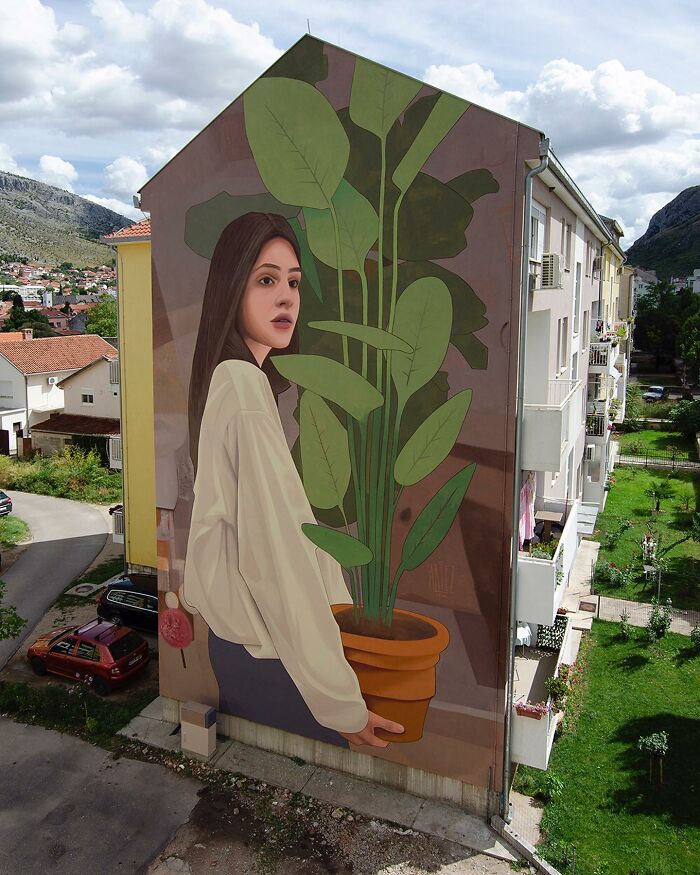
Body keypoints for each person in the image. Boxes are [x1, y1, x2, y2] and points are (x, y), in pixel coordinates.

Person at [182, 212, 403, 749]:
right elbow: (275, 554)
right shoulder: (242, 390)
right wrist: (342, 705)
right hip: (265, 654)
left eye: (293, 282)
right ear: (231, 289)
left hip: (245, 644)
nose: (286, 297)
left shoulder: (233, 380)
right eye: (265, 279)